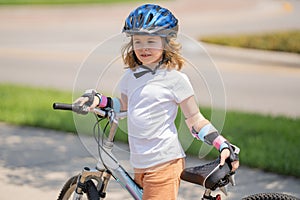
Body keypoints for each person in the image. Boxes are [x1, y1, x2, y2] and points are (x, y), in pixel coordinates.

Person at [74, 4, 239, 200]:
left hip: (164, 164)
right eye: (138, 41)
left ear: (166, 43)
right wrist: (98, 100)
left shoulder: (175, 79)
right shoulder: (130, 77)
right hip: (140, 162)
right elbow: (123, 106)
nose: (144, 47)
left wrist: (222, 144)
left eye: (151, 41)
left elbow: (194, 118)